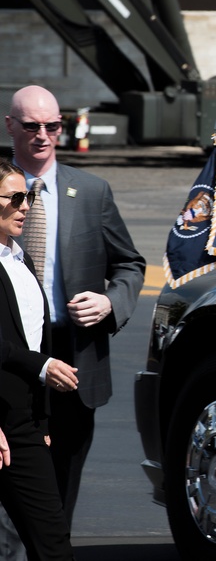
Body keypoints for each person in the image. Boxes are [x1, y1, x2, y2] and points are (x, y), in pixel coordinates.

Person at [5, 85, 145, 528]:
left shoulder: (90, 191)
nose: (43, 135)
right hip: (10, 355)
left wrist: (110, 301)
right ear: (11, 126)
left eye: (53, 125)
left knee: (61, 482)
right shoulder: (1, 191)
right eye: (32, 126)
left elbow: (130, 263)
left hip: (73, 355)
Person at [0, 159, 80, 561]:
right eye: (15, 197)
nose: (25, 206)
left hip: (23, 424)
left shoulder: (19, 258)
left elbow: (35, 335)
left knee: (50, 541)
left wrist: (43, 419)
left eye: (27, 196)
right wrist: (43, 368)